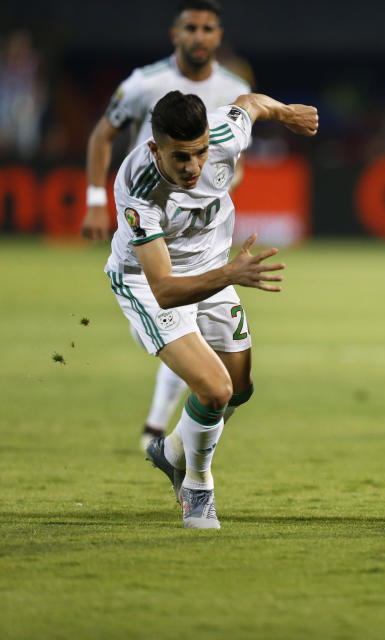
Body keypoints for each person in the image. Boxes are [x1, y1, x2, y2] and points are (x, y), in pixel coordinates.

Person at [106, 90, 317, 528]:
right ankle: (196, 488)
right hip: (147, 283)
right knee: (215, 391)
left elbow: (251, 103)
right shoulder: (138, 186)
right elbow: (164, 288)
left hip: (214, 268)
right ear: (155, 149)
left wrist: (286, 113)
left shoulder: (224, 135)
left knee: (239, 390)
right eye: (181, 157)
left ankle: (173, 451)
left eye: (200, 153)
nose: (194, 167)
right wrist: (232, 274)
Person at [82, 0, 251, 451]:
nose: (199, 36)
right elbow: (103, 134)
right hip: (152, 219)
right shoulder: (144, 83)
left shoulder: (234, 87)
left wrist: (221, 182)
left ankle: (167, 440)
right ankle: (161, 432)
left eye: (208, 28)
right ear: (175, 35)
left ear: (218, 36)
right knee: (180, 324)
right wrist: (97, 200)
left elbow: (238, 145)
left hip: (199, 229)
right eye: (190, 27)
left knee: (228, 376)